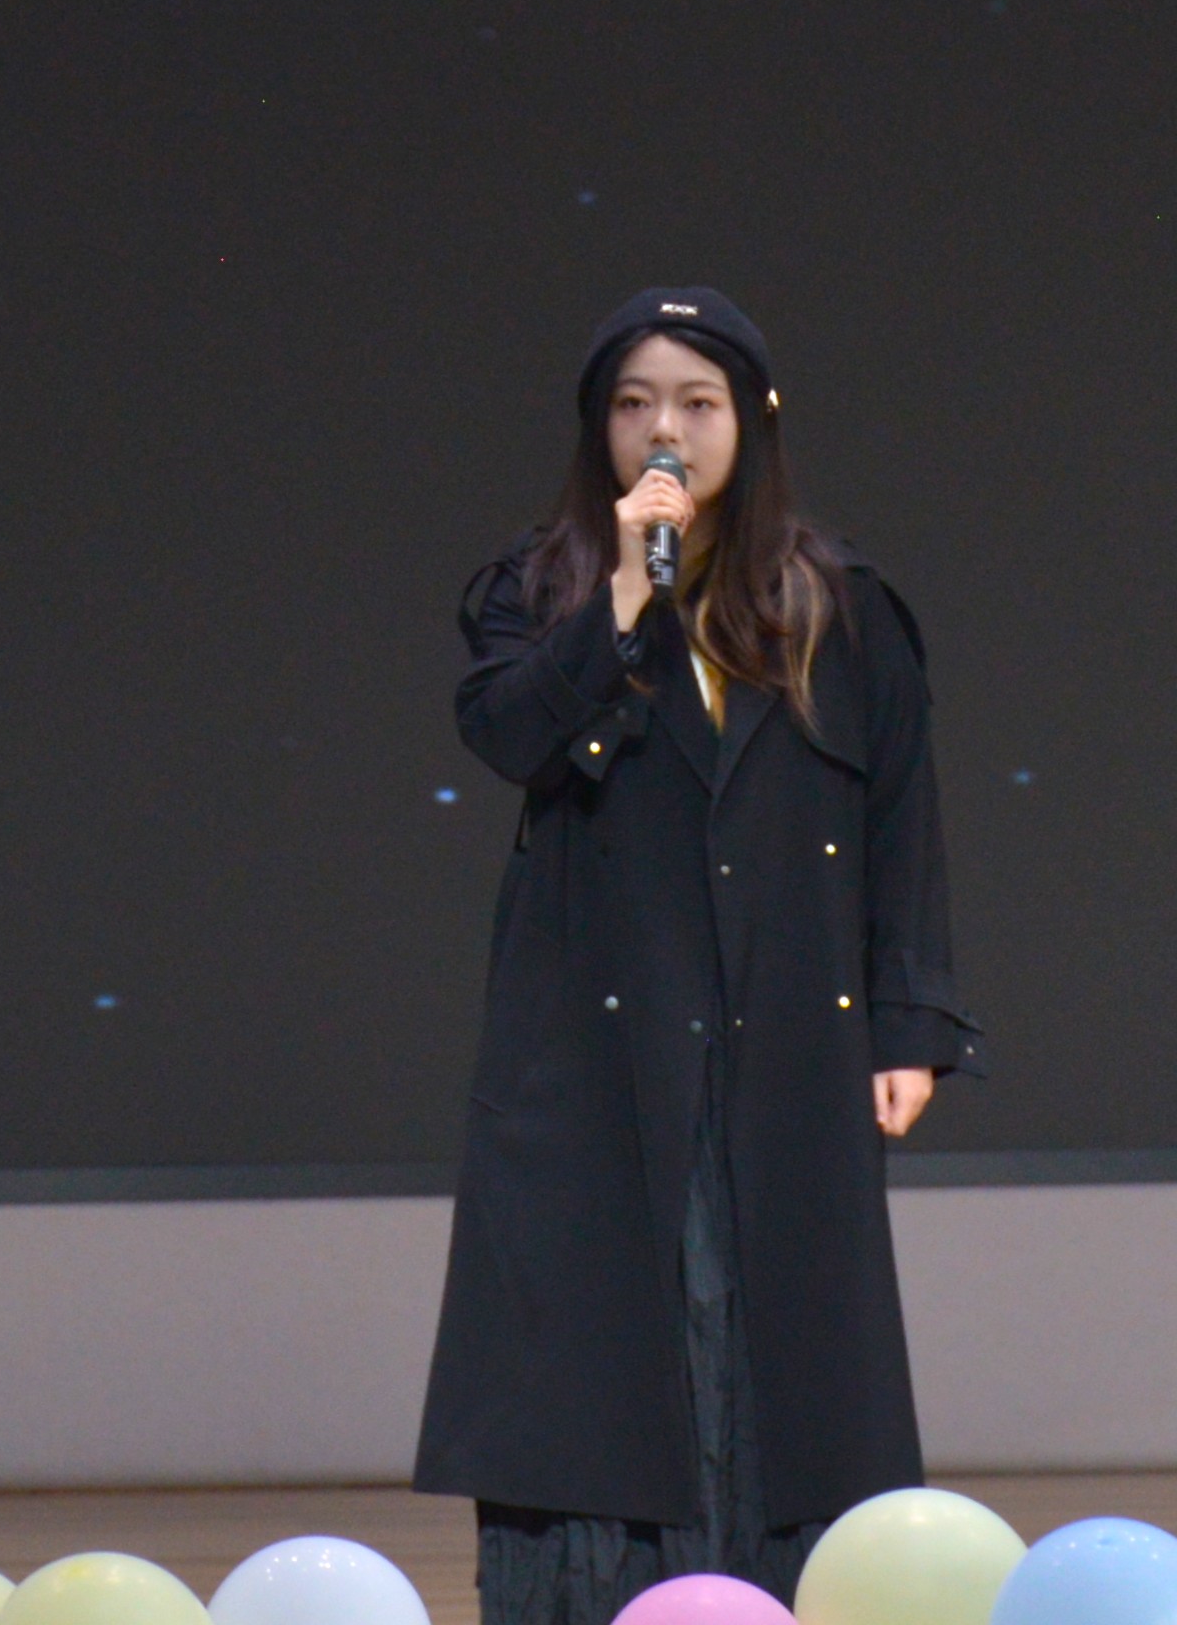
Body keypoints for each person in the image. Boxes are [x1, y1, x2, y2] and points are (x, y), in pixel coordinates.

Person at [415, 286, 985, 1625]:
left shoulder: (841, 604)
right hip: (597, 1041)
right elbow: (507, 737)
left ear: (752, 420)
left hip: (789, 1028)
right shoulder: (535, 592)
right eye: (633, 404)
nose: (662, 431)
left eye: (695, 402)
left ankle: (789, 1595)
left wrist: (907, 1021)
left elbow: (901, 816)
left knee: (790, 1349)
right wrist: (623, 597)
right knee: (600, 1353)